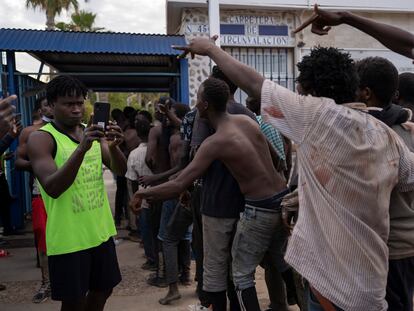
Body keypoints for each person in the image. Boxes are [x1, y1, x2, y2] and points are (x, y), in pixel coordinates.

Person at [172, 37, 414, 310]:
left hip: (330, 292)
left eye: (300, 90)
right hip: (371, 288)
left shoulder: (316, 117)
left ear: (311, 92)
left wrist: (210, 49)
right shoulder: (386, 135)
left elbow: (255, 84)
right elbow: (408, 179)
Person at [132, 77, 288, 311]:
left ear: (205, 105)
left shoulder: (215, 142)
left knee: (241, 276)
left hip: (259, 208)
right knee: (283, 263)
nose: (195, 105)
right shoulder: (247, 121)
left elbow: (179, 184)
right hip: (281, 199)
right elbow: (277, 158)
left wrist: (143, 194)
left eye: (198, 100)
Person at [27, 75, 127, 311]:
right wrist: (81, 149)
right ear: (51, 106)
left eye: (80, 103)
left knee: (104, 289)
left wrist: (114, 148)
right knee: (73, 302)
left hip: (100, 232)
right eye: (68, 104)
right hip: (69, 239)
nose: (76, 109)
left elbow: (120, 170)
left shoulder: (89, 132)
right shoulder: (41, 138)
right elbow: (52, 187)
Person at [355, 56, 414, 311]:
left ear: (366, 93)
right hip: (406, 243)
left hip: (387, 249)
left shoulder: (364, 137)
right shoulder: (407, 129)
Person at [15, 96, 54, 303]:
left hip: (68, 193)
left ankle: (67, 280)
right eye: (46, 104)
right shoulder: (31, 132)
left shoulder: (72, 129)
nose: (50, 108)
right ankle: (47, 282)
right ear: (40, 109)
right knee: (42, 237)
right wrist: (40, 165)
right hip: (41, 191)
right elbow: (18, 161)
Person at [157, 102, 191, 305]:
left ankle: (172, 288)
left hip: (177, 191)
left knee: (167, 238)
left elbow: (180, 167)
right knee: (188, 237)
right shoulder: (195, 134)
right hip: (187, 191)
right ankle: (188, 276)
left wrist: (160, 181)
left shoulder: (180, 137)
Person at [126, 115, 156, 269]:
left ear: (137, 134)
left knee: (146, 230)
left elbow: (131, 180)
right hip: (161, 193)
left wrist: (134, 200)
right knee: (159, 230)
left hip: (143, 196)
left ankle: (151, 260)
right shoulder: (159, 148)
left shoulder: (133, 154)